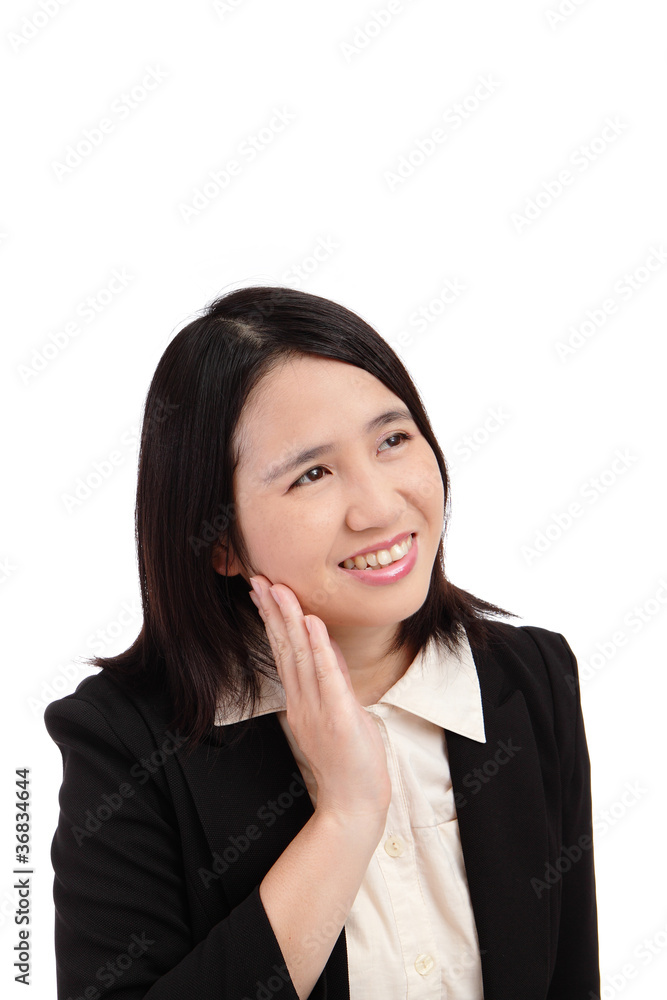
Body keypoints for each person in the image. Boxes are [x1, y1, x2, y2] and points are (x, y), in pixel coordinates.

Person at [44, 285, 600, 1000]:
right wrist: (344, 818)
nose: (379, 507)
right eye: (312, 474)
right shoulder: (124, 740)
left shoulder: (529, 678)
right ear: (219, 541)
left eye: (392, 440)